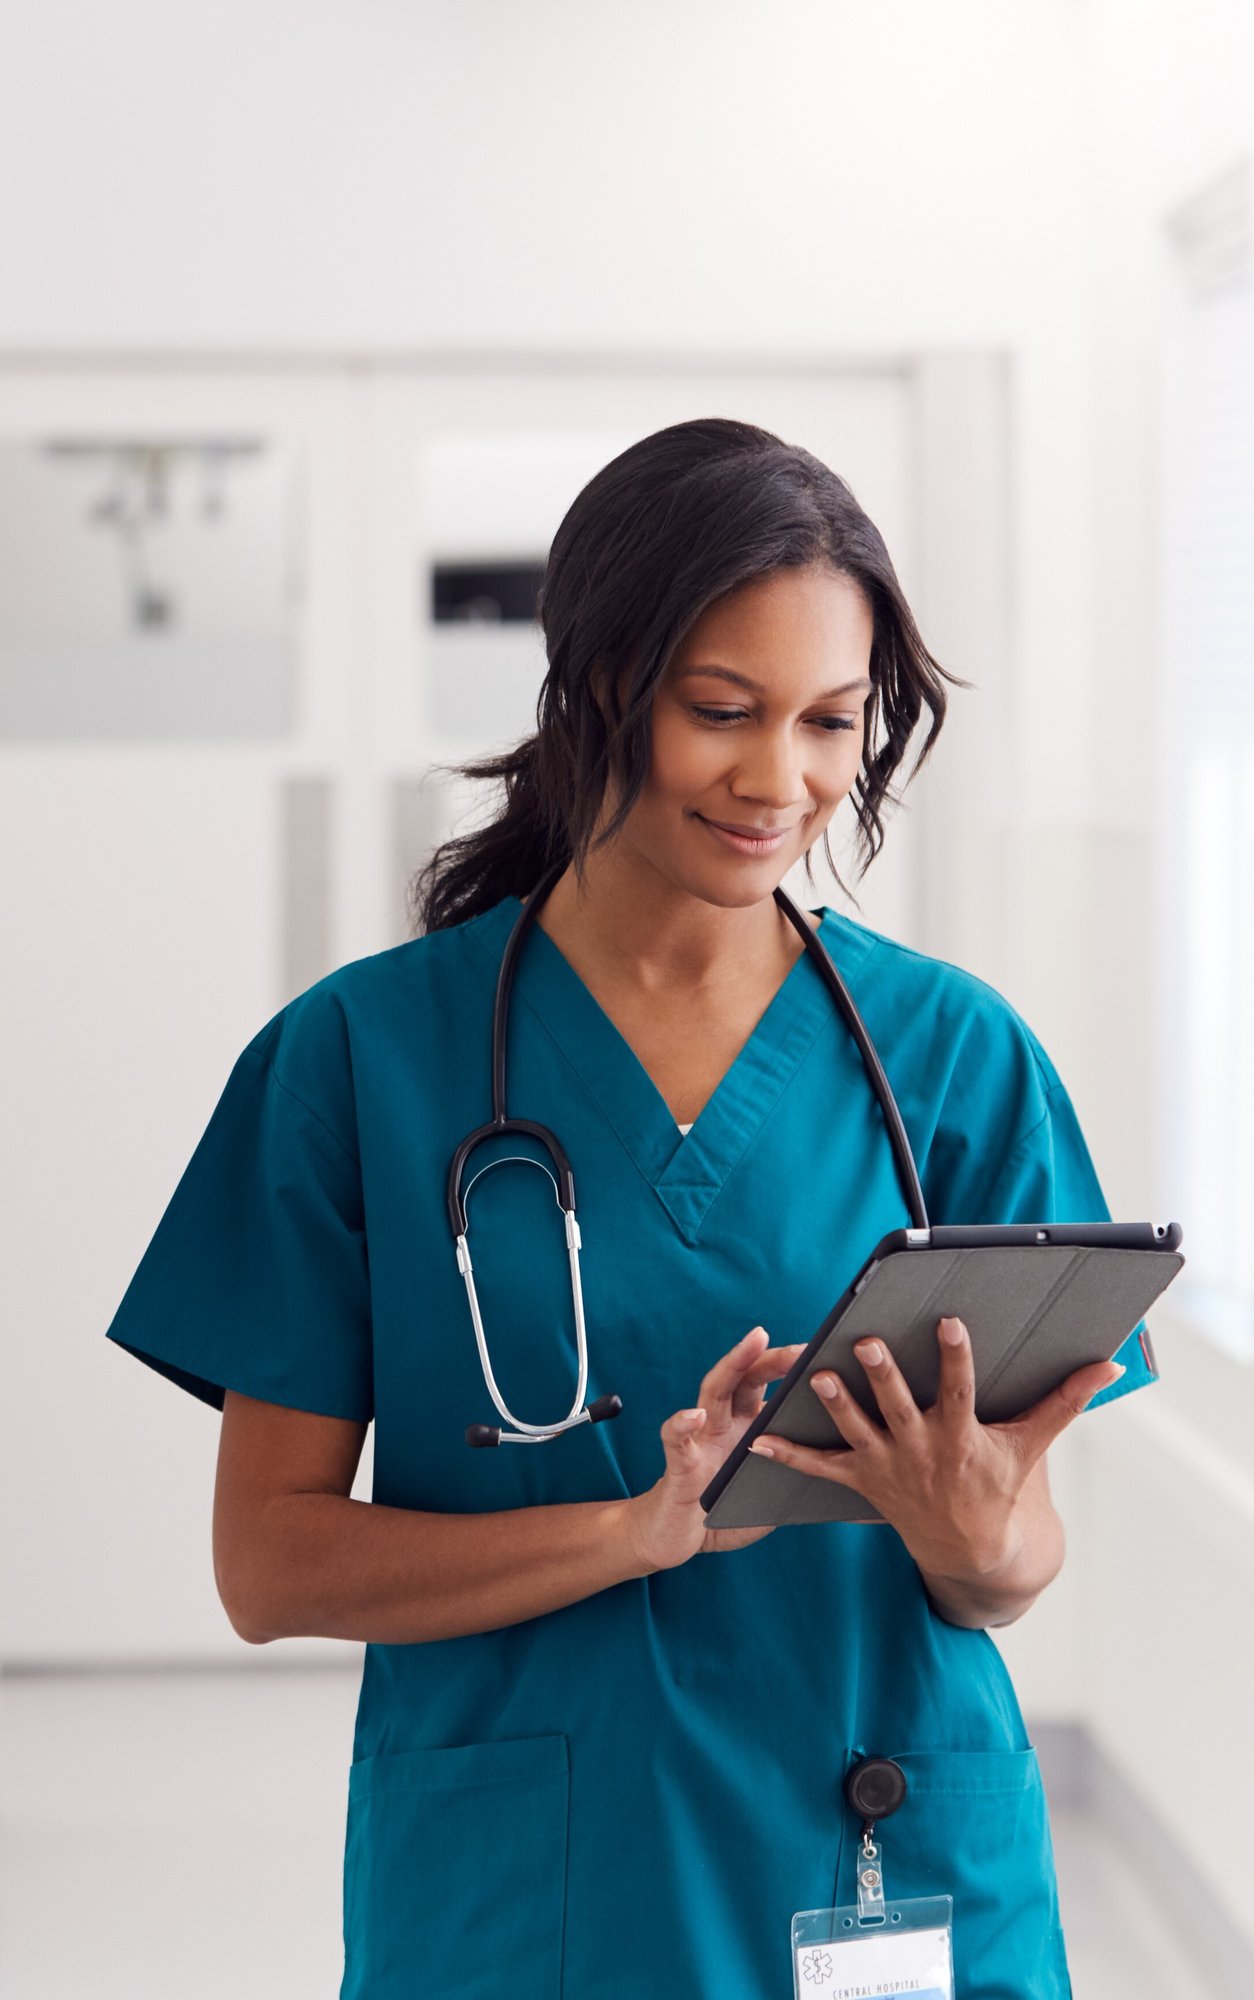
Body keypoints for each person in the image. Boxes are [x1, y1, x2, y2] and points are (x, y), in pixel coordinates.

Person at [104, 416, 1157, 2000]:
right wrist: (630, 1531)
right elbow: (271, 1565)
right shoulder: (361, 1061)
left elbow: (1011, 1557)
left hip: (874, 1846)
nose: (780, 780)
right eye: (721, 710)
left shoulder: (952, 1061)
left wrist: (975, 1537)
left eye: (830, 722)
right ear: (598, 684)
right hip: (536, 1884)